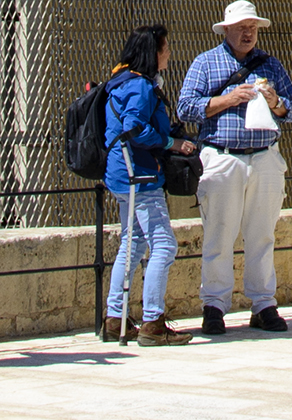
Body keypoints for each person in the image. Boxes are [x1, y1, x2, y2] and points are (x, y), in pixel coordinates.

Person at [179, 1, 292, 336]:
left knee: (262, 234)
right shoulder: (205, 63)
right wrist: (230, 99)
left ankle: (263, 304)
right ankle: (214, 306)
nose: (248, 34)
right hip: (223, 156)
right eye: (242, 28)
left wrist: (276, 102)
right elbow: (186, 108)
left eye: (253, 28)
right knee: (219, 233)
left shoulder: (271, 65)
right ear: (226, 30)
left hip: (264, 156)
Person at [101, 24, 199, 347]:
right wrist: (171, 142)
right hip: (140, 177)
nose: (169, 53)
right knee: (165, 245)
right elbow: (135, 129)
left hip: (120, 175)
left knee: (132, 244)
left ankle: (115, 319)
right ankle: (152, 322)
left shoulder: (120, 81)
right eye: (165, 48)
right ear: (152, 53)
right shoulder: (141, 87)